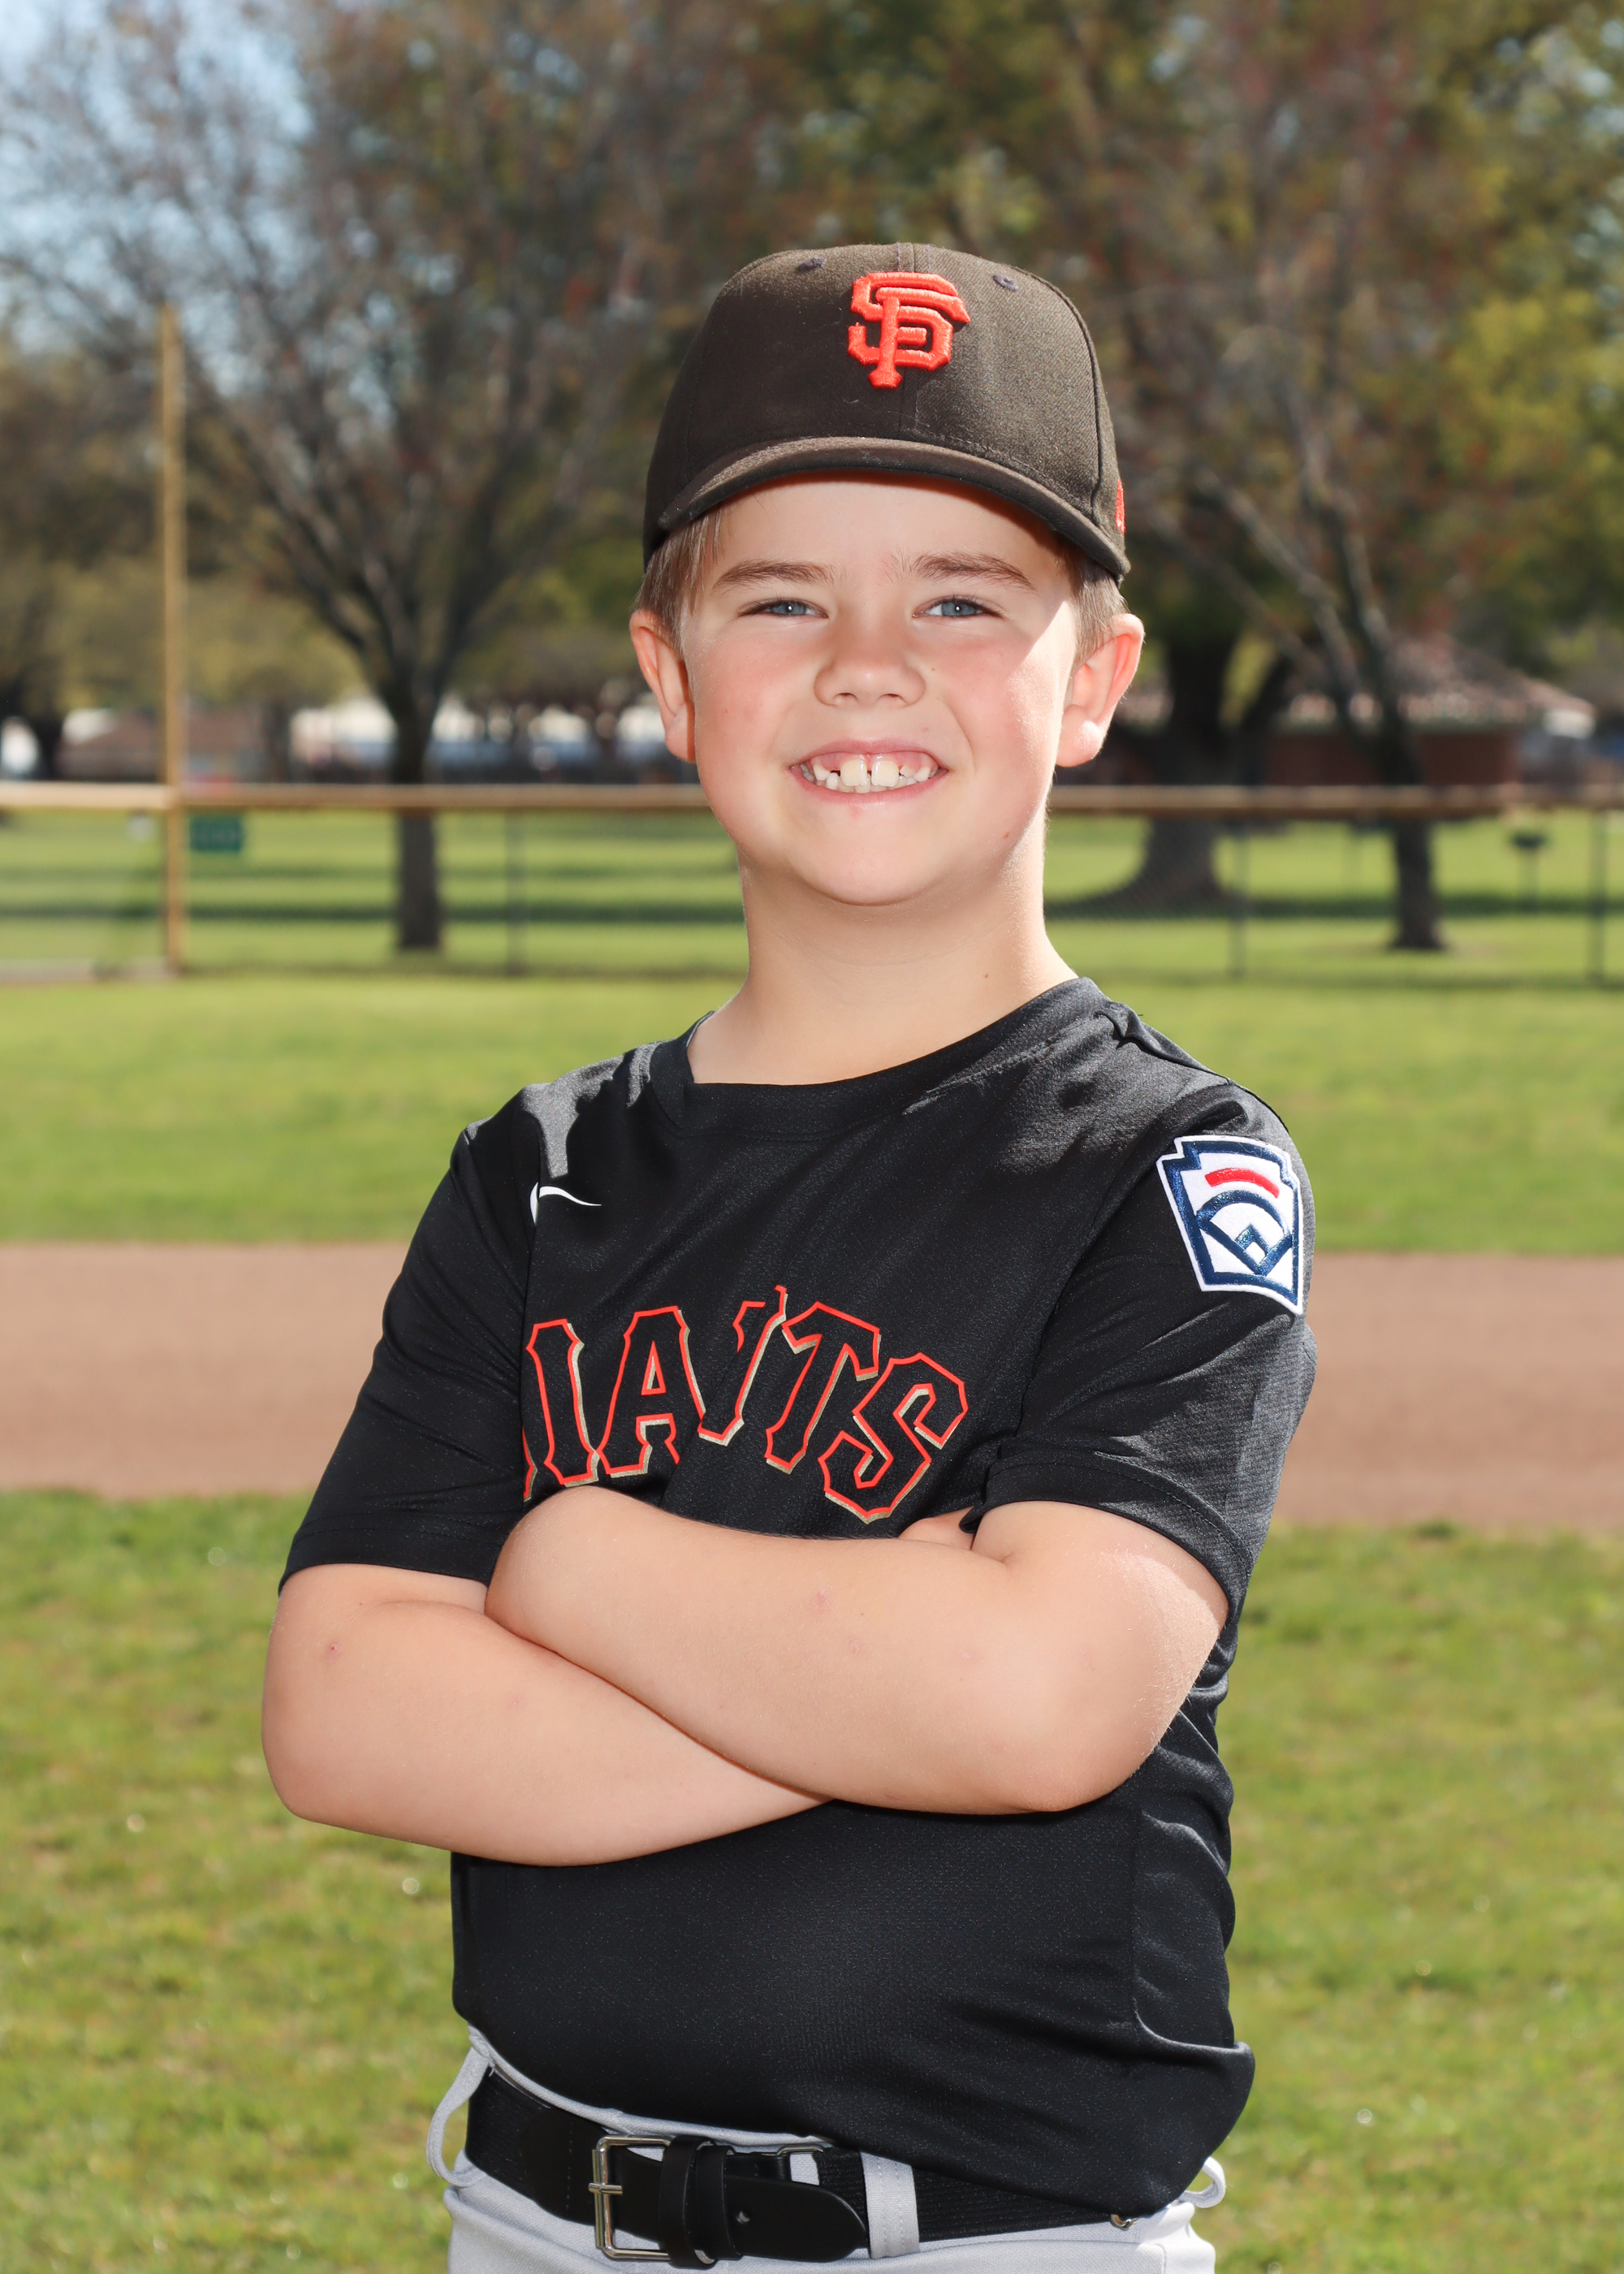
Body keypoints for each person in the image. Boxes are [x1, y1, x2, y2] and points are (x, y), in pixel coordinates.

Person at [263, 244, 1315, 2273]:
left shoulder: (1162, 1166)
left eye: (960, 598)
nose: (866, 663)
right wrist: (879, 1674)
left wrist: (569, 1563)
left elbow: (1037, 1700)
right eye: (780, 598)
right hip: (538, 2214)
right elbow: (343, 1706)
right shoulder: (541, 1172)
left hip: (997, 2239)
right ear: (669, 678)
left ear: (1091, 678)